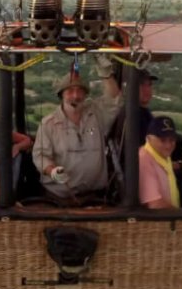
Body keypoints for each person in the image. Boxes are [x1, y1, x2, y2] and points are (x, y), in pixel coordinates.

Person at [33, 68, 120, 204]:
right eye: (70, 91)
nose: (75, 96)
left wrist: (106, 71)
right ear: (61, 94)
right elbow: (40, 156)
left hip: (95, 198)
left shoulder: (97, 114)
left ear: (85, 95)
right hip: (58, 200)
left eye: (80, 91)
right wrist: (52, 171)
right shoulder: (48, 124)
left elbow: (114, 99)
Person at [137, 115, 181, 210]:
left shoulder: (162, 154)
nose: (168, 145)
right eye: (163, 140)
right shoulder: (144, 159)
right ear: (149, 138)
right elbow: (155, 204)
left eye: (172, 140)